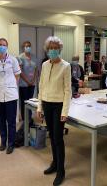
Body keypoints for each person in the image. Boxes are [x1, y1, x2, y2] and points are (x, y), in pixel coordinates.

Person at [37, 36, 71, 186]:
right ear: (47, 50)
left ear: (59, 49)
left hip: (58, 106)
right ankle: (55, 163)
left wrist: (65, 111)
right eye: (50, 48)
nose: (52, 51)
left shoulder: (66, 66)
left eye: (55, 48)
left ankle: (61, 171)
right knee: (52, 136)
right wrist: (39, 107)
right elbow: (41, 87)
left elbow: (68, 90)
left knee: (58, 138)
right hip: (46, 104)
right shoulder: (44, 65)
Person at [0, 38, 21, 154]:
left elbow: (17, 75)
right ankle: (3, 142)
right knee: (1, 120)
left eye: (4, 45)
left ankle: (11, 144)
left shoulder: (13, 60)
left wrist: (12, 85)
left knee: (11, 121)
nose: (2, 46)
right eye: (0, 45)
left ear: (7, 46)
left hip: (10, 95)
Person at [18, 41, 37, 124]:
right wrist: (27, 81)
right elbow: (20, 71)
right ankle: (25, 119)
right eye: (26, 46)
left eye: (29, 46)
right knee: (24, 102)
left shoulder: (34, 57)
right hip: (23, 84)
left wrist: (33, 80)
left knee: (30, 101)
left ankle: (29, 118)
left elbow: (36, 69)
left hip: (32, 84)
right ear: (23, 47)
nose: (27, 47)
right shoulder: (20, 57)